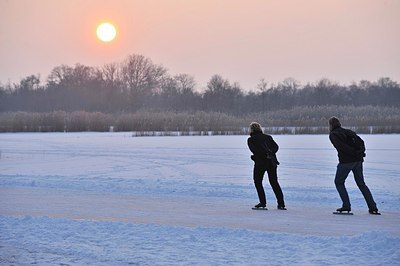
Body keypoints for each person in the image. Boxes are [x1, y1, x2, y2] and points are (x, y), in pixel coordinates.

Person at [328, 116, 379, 214]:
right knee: (361, 184)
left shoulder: (333, 134)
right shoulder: (348, 131)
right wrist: (360, 152)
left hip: (346, 162)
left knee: (339, 182)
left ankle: (346, 205)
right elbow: (361, 142)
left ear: (330, 125)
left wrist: (354, 153)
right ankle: (373, 207)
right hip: (358, 161)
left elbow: (342, 147)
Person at [247, 122, 286, 210]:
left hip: (260, 163)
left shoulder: (251, 139)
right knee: (274, 182)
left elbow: (256, 152)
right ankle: (281, 204)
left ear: (251, 129)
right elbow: (276, 147)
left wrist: (254, 157)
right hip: (272, 162)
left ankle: (262, 203)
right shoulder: (268, 137)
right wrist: (270, 153)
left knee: (258, 182)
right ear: (260, 128)